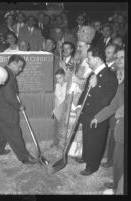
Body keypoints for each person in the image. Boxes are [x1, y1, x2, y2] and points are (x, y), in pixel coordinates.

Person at [75, 46, 118, 175]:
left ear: (98, 59)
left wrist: (95, 86)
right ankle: (86, 156)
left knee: (95, 141)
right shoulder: (93, 74)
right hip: (86, 113)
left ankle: (92, 166)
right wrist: (78, 106)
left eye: (89, 58)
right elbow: (84, 93)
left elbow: (106, 101)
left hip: (98, 116)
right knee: (87, 137)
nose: (87, 61)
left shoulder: (110, 77)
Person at [90, 48, 124, 192]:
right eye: (117, 58)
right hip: (121, 130)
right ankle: (117, 186)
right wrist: (98, 117)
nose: (119, 60)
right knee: (118, 162)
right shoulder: (121, 80)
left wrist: (122, 111)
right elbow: (114, 104)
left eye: (123, 57)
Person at [0, 55, 37, 164]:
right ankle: (25, 157)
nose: (20, 69)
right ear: (13, 63)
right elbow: (8, 96)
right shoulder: (8, 75)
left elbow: (8, 92)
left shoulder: (5, 71)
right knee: (15, 134)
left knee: (1, 131)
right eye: (19, 66)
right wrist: (19, 106)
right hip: (6, 110)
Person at [50, 68, 67, 148]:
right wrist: (54, 110)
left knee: (63, 127)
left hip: (64, 109)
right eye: (57, 78)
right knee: (55, 126)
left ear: (64, 76)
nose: (58, 80)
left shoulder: (68, 85)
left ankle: (63, 144)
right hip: (57, 109)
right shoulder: (57, 85)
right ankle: (56, 142)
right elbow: (56, 98)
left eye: (60, 78)